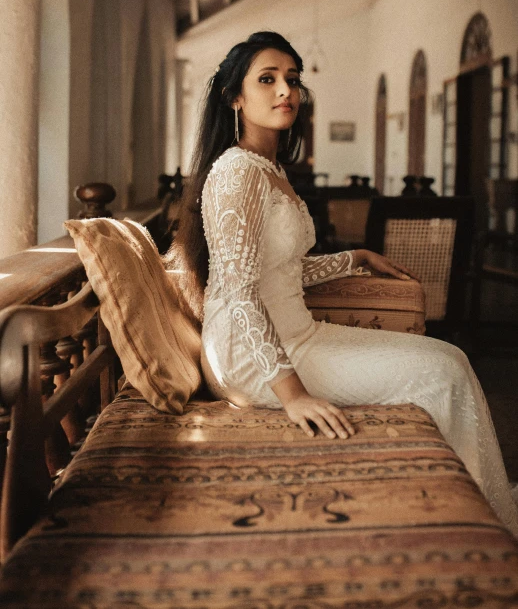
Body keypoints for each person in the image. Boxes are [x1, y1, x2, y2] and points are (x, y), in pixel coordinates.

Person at [170, 30, 518, 536]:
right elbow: (241, 290)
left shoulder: (270, 169)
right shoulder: (237, 171)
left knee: (450, 360)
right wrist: (292, 395)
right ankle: (473, 526)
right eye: (267, 80)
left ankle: (469, 511)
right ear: (235, 97)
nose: (286, 90)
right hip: (250, 356)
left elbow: (283, 272)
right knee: (443, 373)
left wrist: (353, 257)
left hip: (299, 332)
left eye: (292, 79)